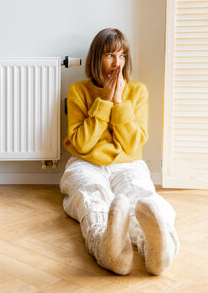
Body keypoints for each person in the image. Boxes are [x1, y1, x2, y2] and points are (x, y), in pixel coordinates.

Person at [59, 28, 179, 275]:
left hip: (128, 163)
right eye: (110, 56)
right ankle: (108, 250)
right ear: (96, 59)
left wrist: (120, 103)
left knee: (140, 196)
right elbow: (81, 144)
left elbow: (133, 146)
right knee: (92, 198)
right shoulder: (78, 91)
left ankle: (158, 250)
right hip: (86, 162)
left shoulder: (137, 92)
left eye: (122, 56)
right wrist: (103, 101)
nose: (117, 63)